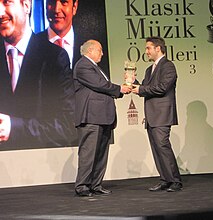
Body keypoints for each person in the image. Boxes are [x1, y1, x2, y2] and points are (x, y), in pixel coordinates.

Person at [0, 0, 75, 149]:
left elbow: (67, 127)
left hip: (41, 165)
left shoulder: (55, 58)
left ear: (26, 5)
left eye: (7, 2)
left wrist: (13, 128)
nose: (0, 12)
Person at [73, 39, 131, 197]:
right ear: (90, 51)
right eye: (100, 50)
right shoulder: (83, 65)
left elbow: (102, 87)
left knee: (100, 154)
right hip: (91, 117)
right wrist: (120, 89)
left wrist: (120, 90)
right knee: (89, 153)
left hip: (103, 117)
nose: (102, 53)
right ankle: (83, 185)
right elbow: (100, 85)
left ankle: (95, 184)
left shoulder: (94, 67)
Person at [132, 36, 183, 192]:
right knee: (156, 148)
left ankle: (175, 181)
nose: (146, 51)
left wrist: (141, 89)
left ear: (158, 48)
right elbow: (146, 89)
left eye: (148, 48)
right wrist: (134, 83)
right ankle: (165, 179)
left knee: (163, 146)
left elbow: (162, 88)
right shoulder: (149, 69)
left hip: (162, 114)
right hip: (152, 115)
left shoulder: (168, 66)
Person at [38, 0, 79, 68]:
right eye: (51, 2)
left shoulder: (92, 45)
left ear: (74, 6)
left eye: (64, 2)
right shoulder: (30, 45)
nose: (56, 10)